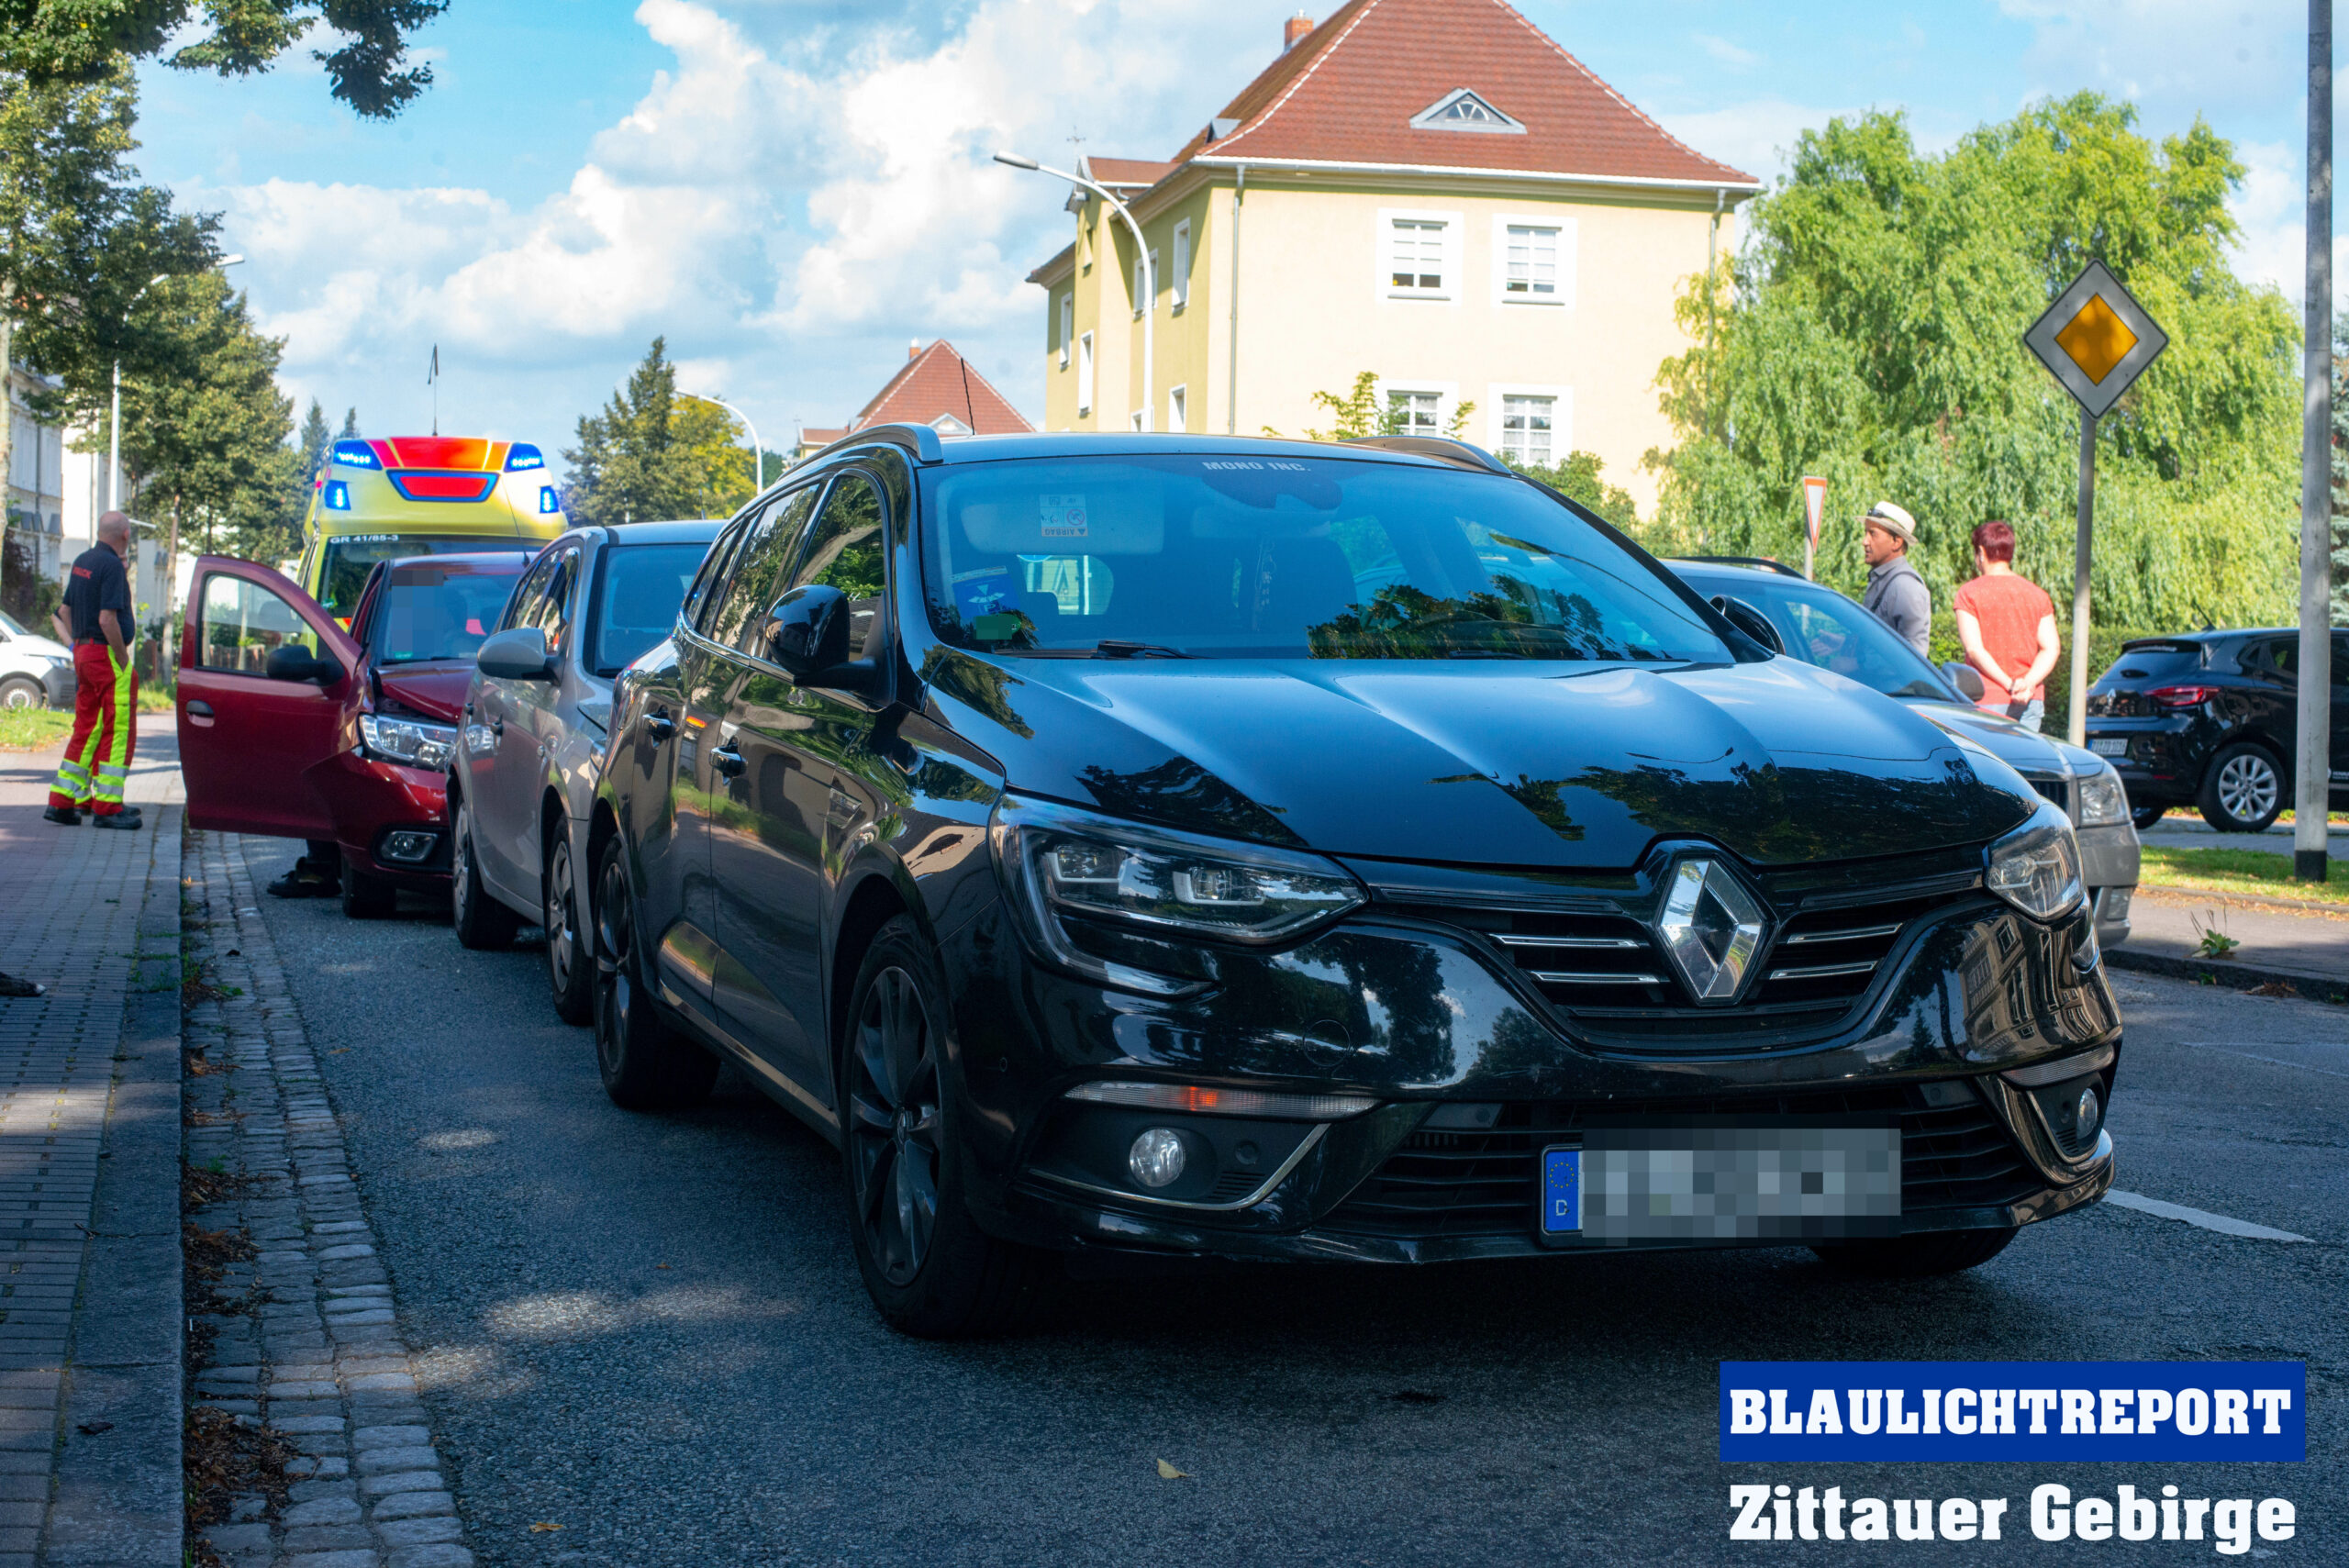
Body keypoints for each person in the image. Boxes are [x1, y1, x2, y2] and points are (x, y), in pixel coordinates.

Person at [44, 513, 141, 830]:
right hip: (105, 655)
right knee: (117, 729)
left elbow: (64, 610)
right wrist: (122, 659)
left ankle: (63, 802)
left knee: (87, 727)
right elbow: (107, 619)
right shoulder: (111, 565)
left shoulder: (82, 561)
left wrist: (77, 646)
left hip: (84, 654)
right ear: (125, 535)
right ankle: (108, 808)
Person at [1954, 518, 2059, 732]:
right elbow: (2051, 648)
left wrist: (2009, 684)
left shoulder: (1969, 593)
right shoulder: (2037, 594)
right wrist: (2027, 683)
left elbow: (1974, 649)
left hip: (1986, 697)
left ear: (1981, 552)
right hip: (2030, 698)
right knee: (2024, 754)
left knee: (1986, 754)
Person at [1858, 501, 1931, 657]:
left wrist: (1856, 664)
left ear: (1896, 542)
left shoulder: (1905, 587)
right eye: (1865, 533)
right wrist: (1842, 643)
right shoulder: (1882, 579)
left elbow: (1913, 658)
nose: (1865, 541)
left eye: (1873, 534)